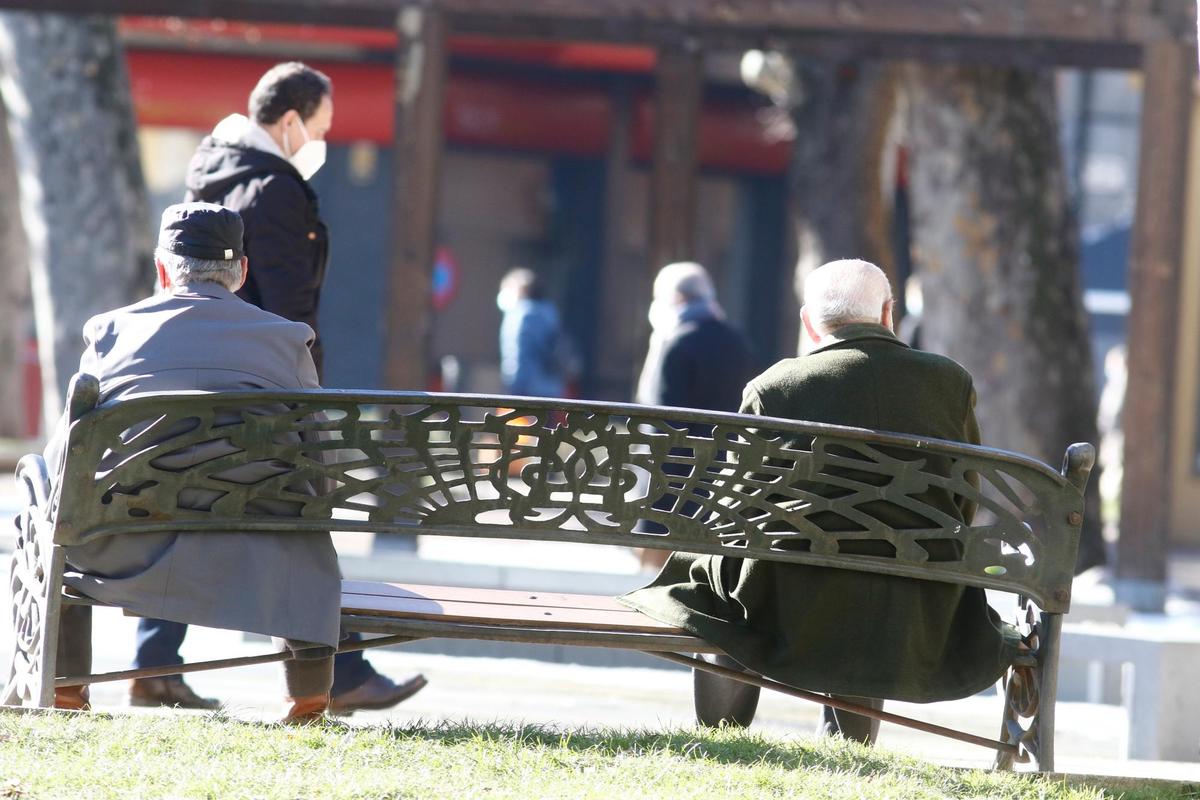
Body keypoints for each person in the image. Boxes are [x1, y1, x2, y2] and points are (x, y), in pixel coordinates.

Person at [620, 259, 1017, 744]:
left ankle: (723, 735)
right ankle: (851, 743)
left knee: (714, 583)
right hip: (913, 599)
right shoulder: (949, 383)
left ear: (810, 322)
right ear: (888, 313)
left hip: (791, 596)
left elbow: (736, 510)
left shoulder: (777, 387)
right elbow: (962, 495)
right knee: (869, 578)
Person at [133, 63, 425, 713]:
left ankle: (154, 665)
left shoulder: (213, 168)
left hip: (195, 402)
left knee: (192, 514)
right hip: (261, 393)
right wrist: (304, 389)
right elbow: (293, 306)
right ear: (290, 121)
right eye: (319, 126)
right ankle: (340, 674)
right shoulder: (275, 188)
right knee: (301, 526)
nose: (322, 139)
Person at [50, 204, 339, 722]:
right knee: (304, 529)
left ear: (162, 269)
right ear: (242, 273)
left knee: (59, 527)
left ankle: (68, 692)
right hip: (258, 549)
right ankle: (308, 699)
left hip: (121, 549)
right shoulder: (287, 340)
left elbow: (67, 458)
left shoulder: (110, 333)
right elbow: (318, 458)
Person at [634, 262, 756, 569]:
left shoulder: (675, 341)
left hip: (673, 482)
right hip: (723, 479)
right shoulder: (737, 341)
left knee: (654, 569)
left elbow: (661, 422)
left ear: (674, 298)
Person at [496, 268, 568, 398]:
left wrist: (513, 388)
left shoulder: (520, 315)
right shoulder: (550, 313)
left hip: (525, 392)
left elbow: (517, 355)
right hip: (551, 389)